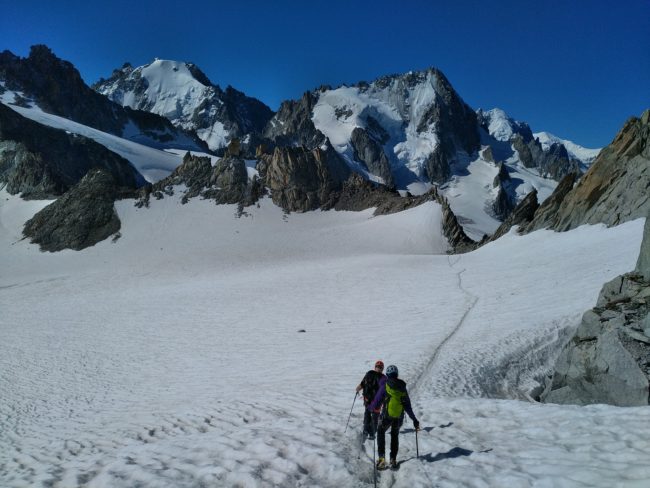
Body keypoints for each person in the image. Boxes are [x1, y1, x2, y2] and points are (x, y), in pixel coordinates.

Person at [368, 364, 420, 470]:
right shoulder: (402, 388)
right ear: (396, 374)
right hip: (398, 417)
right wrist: (414, 419)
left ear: (387, 374)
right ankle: (393, 459)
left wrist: (370, 408)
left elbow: (377, 401)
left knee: (381, 432)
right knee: (395, 435)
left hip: (386, 416)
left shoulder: (385, 385)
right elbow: (407, 406)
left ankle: (381, 459)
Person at [355, 360, 385, 440]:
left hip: (376, 401)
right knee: (367, 415)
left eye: (380, 367)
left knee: (374, 417)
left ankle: (372, 432)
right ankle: (366, 429)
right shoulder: (369, 373)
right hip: (367, 400)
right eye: (377, 367)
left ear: (382, 369)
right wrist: (358, 388)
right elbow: (363, 383)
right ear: (375, 367)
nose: (378, 368)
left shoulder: (383, 378)